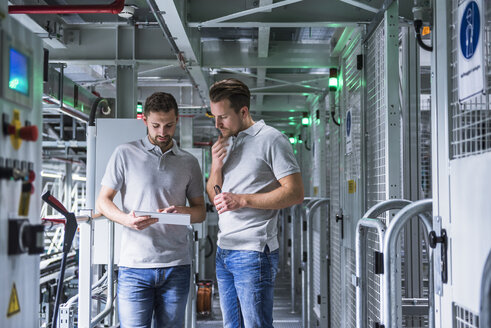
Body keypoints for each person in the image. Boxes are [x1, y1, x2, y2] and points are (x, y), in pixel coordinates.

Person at [96, 92, 206, 328]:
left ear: (177, 119)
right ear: (144, 120)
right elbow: (103, 201)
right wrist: (125, 219)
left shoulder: (189, 162)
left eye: (169, 125)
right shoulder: (124, 153)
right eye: (156, 125)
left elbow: (200, 212)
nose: (163, 132)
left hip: (176, 266)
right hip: (134, 267)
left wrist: (182, 211)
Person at [206, 78, 304, 327]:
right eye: (214, 116)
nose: (217, 124)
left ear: (243, 111)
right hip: (224, 249)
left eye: (223, 117)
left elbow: (294, 193)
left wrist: (242, 200)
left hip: (253, 252)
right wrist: (216, 166)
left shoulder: (271, 139)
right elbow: (213, 195)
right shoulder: (225, 141)